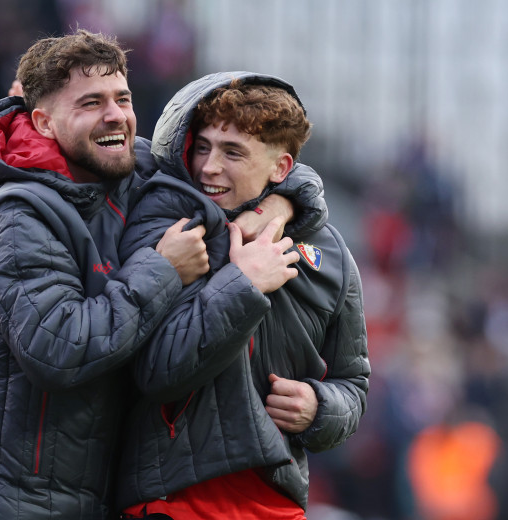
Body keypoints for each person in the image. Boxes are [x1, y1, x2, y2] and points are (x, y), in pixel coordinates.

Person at [0, 30, 327, 520]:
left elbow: (278, 165)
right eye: (91, 103)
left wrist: (276, 204)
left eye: (121, 99)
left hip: (103, 497)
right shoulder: (15, 216)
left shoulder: (131, 167)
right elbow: (59, 351)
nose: (115, 116)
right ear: (43, 122)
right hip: (16, 506)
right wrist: (164, 269)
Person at [116, 73, 370, 519]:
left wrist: (320, 408)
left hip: (278, 505)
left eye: (232, 152)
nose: (209, 167)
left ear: (281, 169)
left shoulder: (331, 253)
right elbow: (156, 373)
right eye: (202, 147)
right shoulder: (162, 221)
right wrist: (244, 283)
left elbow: (354, 384)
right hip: (171, 501)